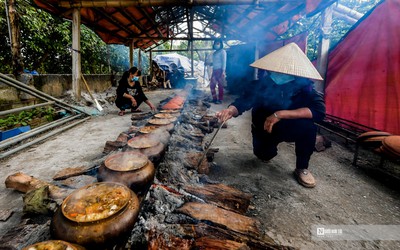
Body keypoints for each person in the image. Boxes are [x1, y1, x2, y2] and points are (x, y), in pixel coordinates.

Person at [216, 43, 326, 188]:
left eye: (283, 72)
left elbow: (319, 111)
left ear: (293, 73)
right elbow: (244, 101)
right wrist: (230, 110)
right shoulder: (262, 84)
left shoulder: (305, 88)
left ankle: (302, 167)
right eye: (275, 70)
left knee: (309, 128)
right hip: (264, 127)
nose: (277, 74)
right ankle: (266, 150)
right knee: (263, 155)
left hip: (289, 126)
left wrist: (280, 114)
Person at [210, 39, 227, 104]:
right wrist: (210, 64)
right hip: (214, 70)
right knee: (212, 85)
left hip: (220, 70)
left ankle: (220, 99)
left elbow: (224, 62)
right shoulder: (215, 53)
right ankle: (214, 99)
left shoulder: (223, 52)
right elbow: (215, 62)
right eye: (215, 43)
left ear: (221, 44)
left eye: (218, 43)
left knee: (220, 85)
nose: (216, 45)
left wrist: (223, 71)